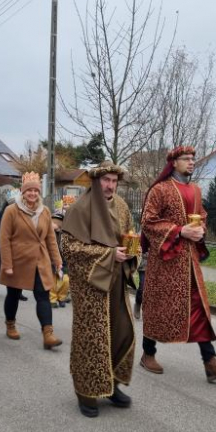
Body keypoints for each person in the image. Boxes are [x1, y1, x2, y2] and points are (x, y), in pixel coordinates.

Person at [141, 146, 216, 381]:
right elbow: (148, 222)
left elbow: (202, 216)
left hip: (189, 262)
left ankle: (210, 362)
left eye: (193, 158)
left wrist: (199, 231)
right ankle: (148, 354)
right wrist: (179, 230)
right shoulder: (160, 189)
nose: (191, 162)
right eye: (186, 158)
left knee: (198, 308)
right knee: (158, 307)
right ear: (173, 162)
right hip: (165, 261)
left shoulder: (196, 190)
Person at [62, 162, 138, 418]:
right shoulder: (79, 208)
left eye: (114, 181)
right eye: (106, 180)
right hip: (91, 287)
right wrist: (107, 254)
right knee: (92, 340)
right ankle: (87, 392)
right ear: (96, 181)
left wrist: (131, 252)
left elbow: (128, 235)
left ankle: (112, 385)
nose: (110, 185)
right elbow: (70, 249)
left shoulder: (122, 206)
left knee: (120, 332)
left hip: (116, 281)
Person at [0, 172, 62, 348]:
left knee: (43, 295)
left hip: (40, 260)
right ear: (22, 192)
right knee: (13, 295)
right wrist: (7, 264)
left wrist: (57, 260)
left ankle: (48, 334)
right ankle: (10, 323)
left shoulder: (45, 211)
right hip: (17, 260)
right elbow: (4, 239)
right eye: (29, 190)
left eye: (35, 190)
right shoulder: (12, 211)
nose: (32, 193)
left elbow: (50, 237)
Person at [0, 189, 27, 303]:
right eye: (12, 203)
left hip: (17, 247)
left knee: (18, 270)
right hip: (3, 246)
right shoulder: (0, 214)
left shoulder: (23, 214)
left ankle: (18, 292)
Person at [49, 204, 71, 308]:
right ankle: (52, 299)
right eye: (53, 221)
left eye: (58, 221)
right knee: (53, 281)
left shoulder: (66, 233)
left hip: (64, 260)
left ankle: (62, 297)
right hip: (53, 259)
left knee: (65, 280)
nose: (55, 224)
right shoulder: (50, 233)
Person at [133, 252, 148, 320]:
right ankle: (138, 303)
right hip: (144, 266)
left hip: (156, 268)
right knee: (142, 287)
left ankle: (148, 311)